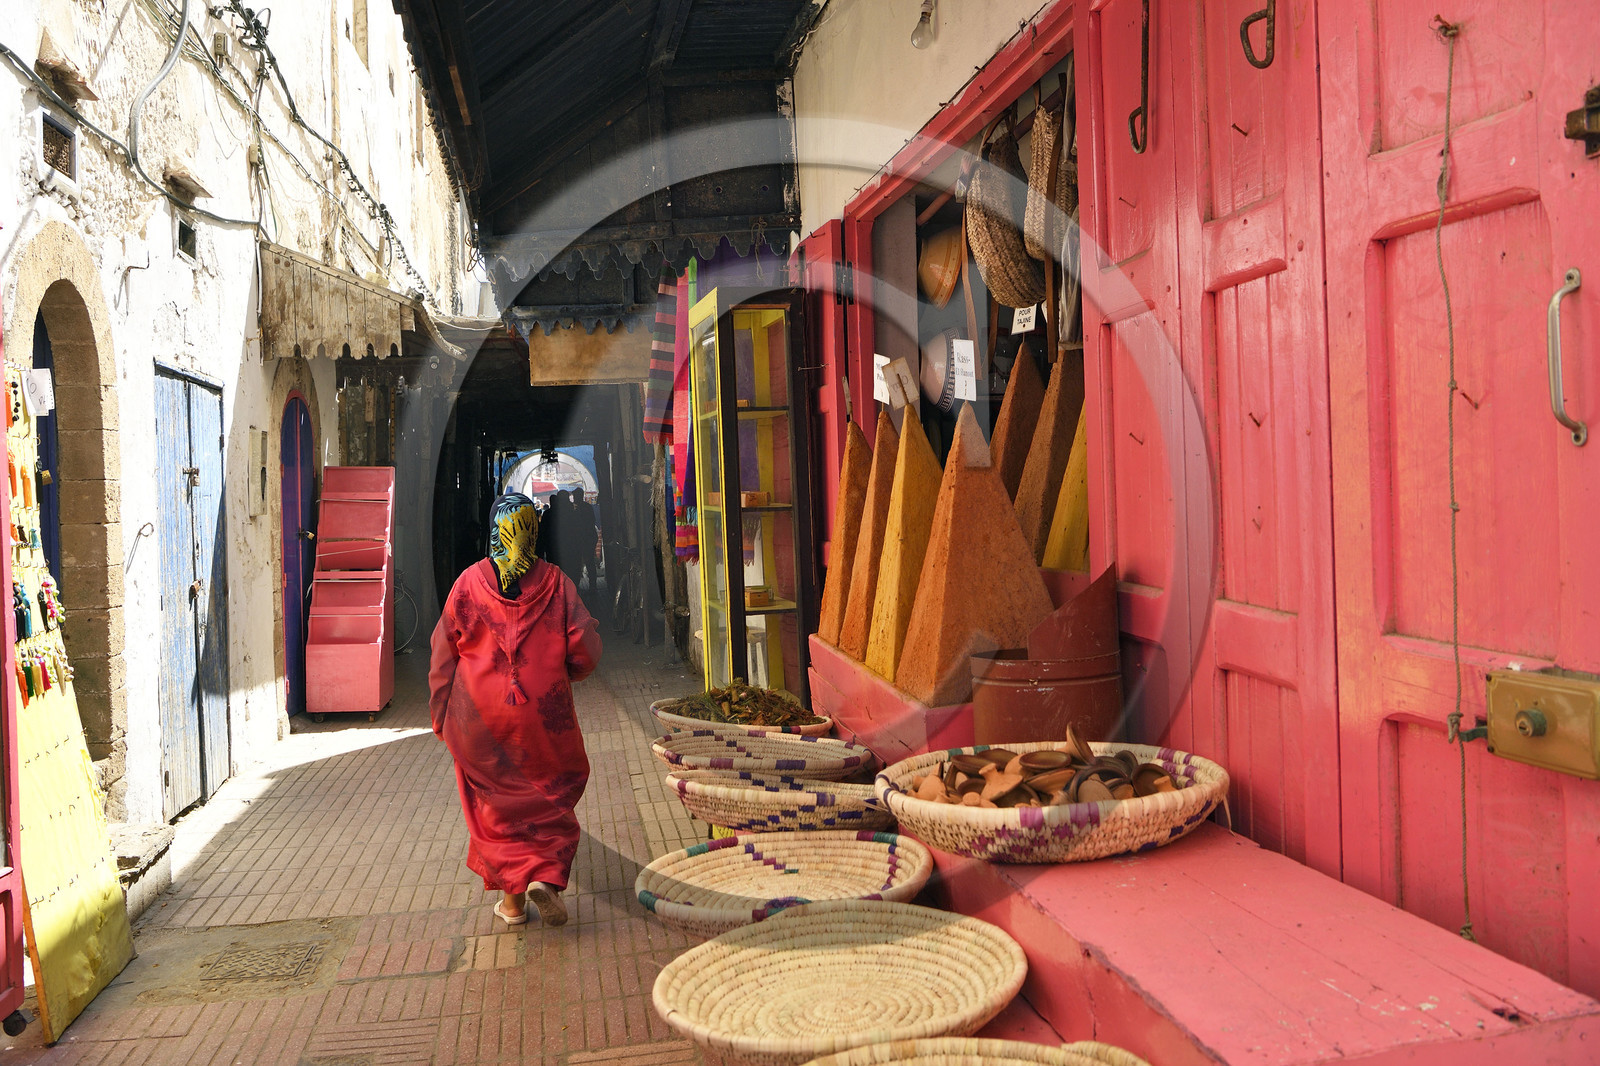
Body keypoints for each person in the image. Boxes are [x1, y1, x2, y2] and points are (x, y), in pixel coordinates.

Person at [428, 492, 602, 927]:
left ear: (493, 533)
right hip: (544, 719)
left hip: (481, 722)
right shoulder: (557, 583)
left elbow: (441, 656)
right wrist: (565, 675)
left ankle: (512, 904)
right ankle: (545, 875)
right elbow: (584, 649)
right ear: (534, 531)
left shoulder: (468, 584)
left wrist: (440, 715)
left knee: (497, 807)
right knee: (545, 796)